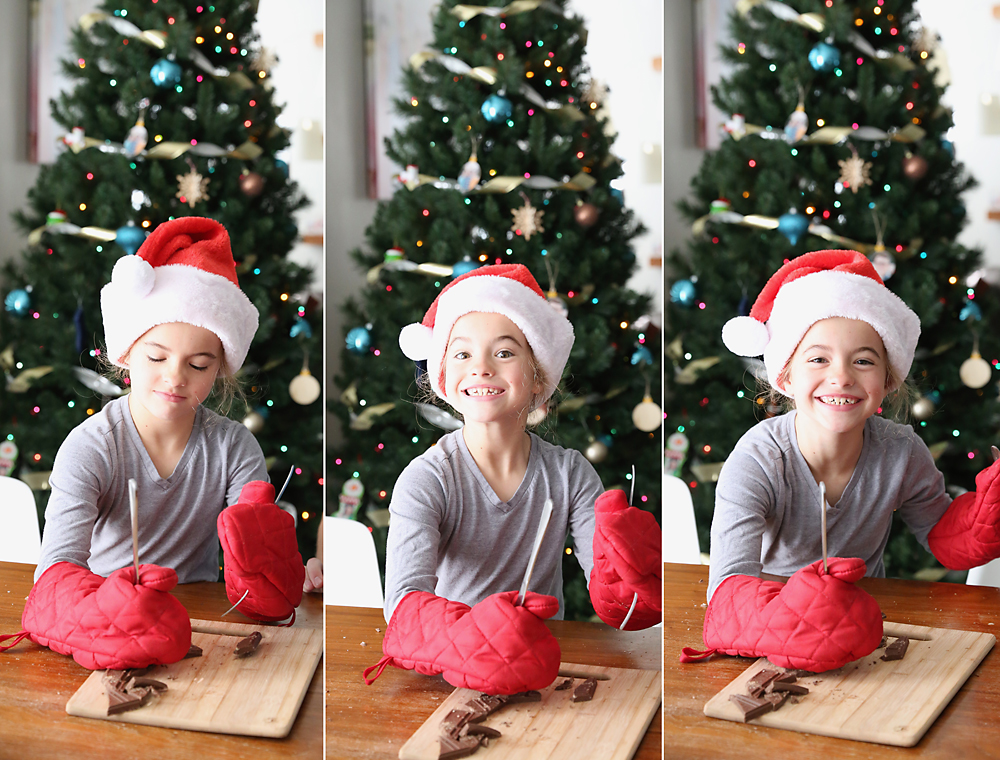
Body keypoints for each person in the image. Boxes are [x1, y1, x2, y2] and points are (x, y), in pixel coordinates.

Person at [5, 217, 314, 669]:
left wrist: (270, 564)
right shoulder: (90, 448)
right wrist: (108, 610)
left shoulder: (235, 448)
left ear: (220, 370)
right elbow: (55, 573)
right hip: (107, 623)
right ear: (127, 352)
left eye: (200, 364)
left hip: (205, 627)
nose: (175, 377)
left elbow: (262, 594)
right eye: (156, 356)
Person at [685, 249, 1000, 673]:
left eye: (864, 360)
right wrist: (794, 621)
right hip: (768, 633)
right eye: (817, 358)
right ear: (786, 376)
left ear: (888, 380)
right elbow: (727, 590)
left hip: (866, 628)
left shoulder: (901, 451)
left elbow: (943, 535)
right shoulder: (757, 459)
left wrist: (985, 516)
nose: (842, 376)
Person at [362, 264, 661, 696]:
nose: (481, 368)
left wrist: (632, 576)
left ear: (538, 373)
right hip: (450, 676)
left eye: (503, 353)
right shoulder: (427, 479)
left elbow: (620, 603)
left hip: (540, 673)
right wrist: (475, 636)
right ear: (443, 373)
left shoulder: (571, 473)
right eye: (462, 354)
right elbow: (405, 603)